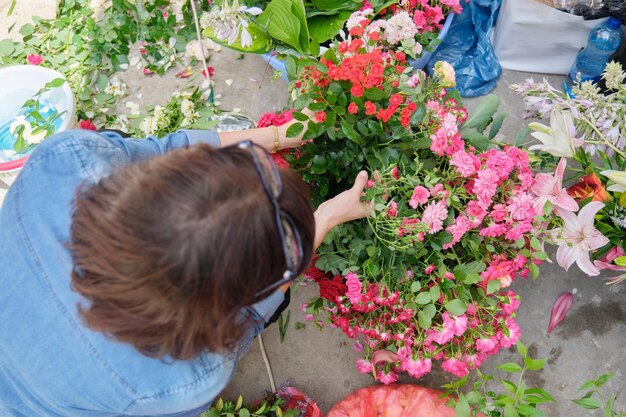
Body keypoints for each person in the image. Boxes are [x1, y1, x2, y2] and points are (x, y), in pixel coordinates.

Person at [0, 121, 370, 417]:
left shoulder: (66, 161)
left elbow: (162, 150)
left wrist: (280, 134)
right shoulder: (178, 381)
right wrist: (324, 219)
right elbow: (253, 315)